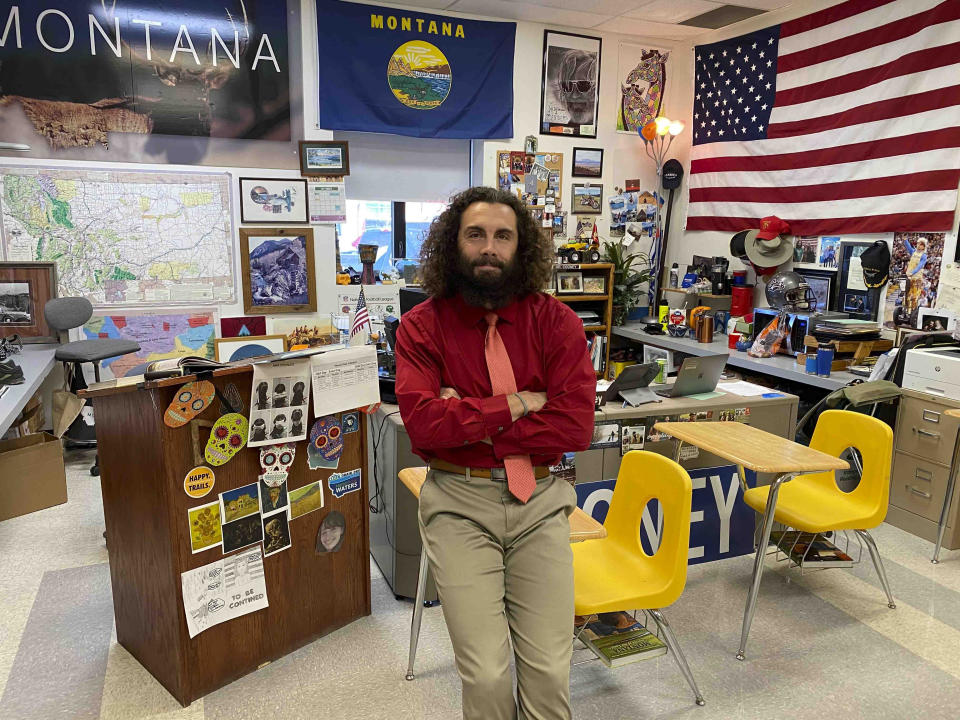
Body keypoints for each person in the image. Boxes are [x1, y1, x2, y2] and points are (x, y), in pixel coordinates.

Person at [394, 186, 595, 720]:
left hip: (543, 502)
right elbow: (422, 426)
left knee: (550, 673)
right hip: (459, 503)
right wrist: (520, 404)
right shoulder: (421, 327)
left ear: (520, 247)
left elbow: (575, 427)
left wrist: (470, 417)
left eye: (502, 236)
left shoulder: (556, 322)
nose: (489, 247)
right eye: (476, 234)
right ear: (452, 245)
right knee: (486, 675)